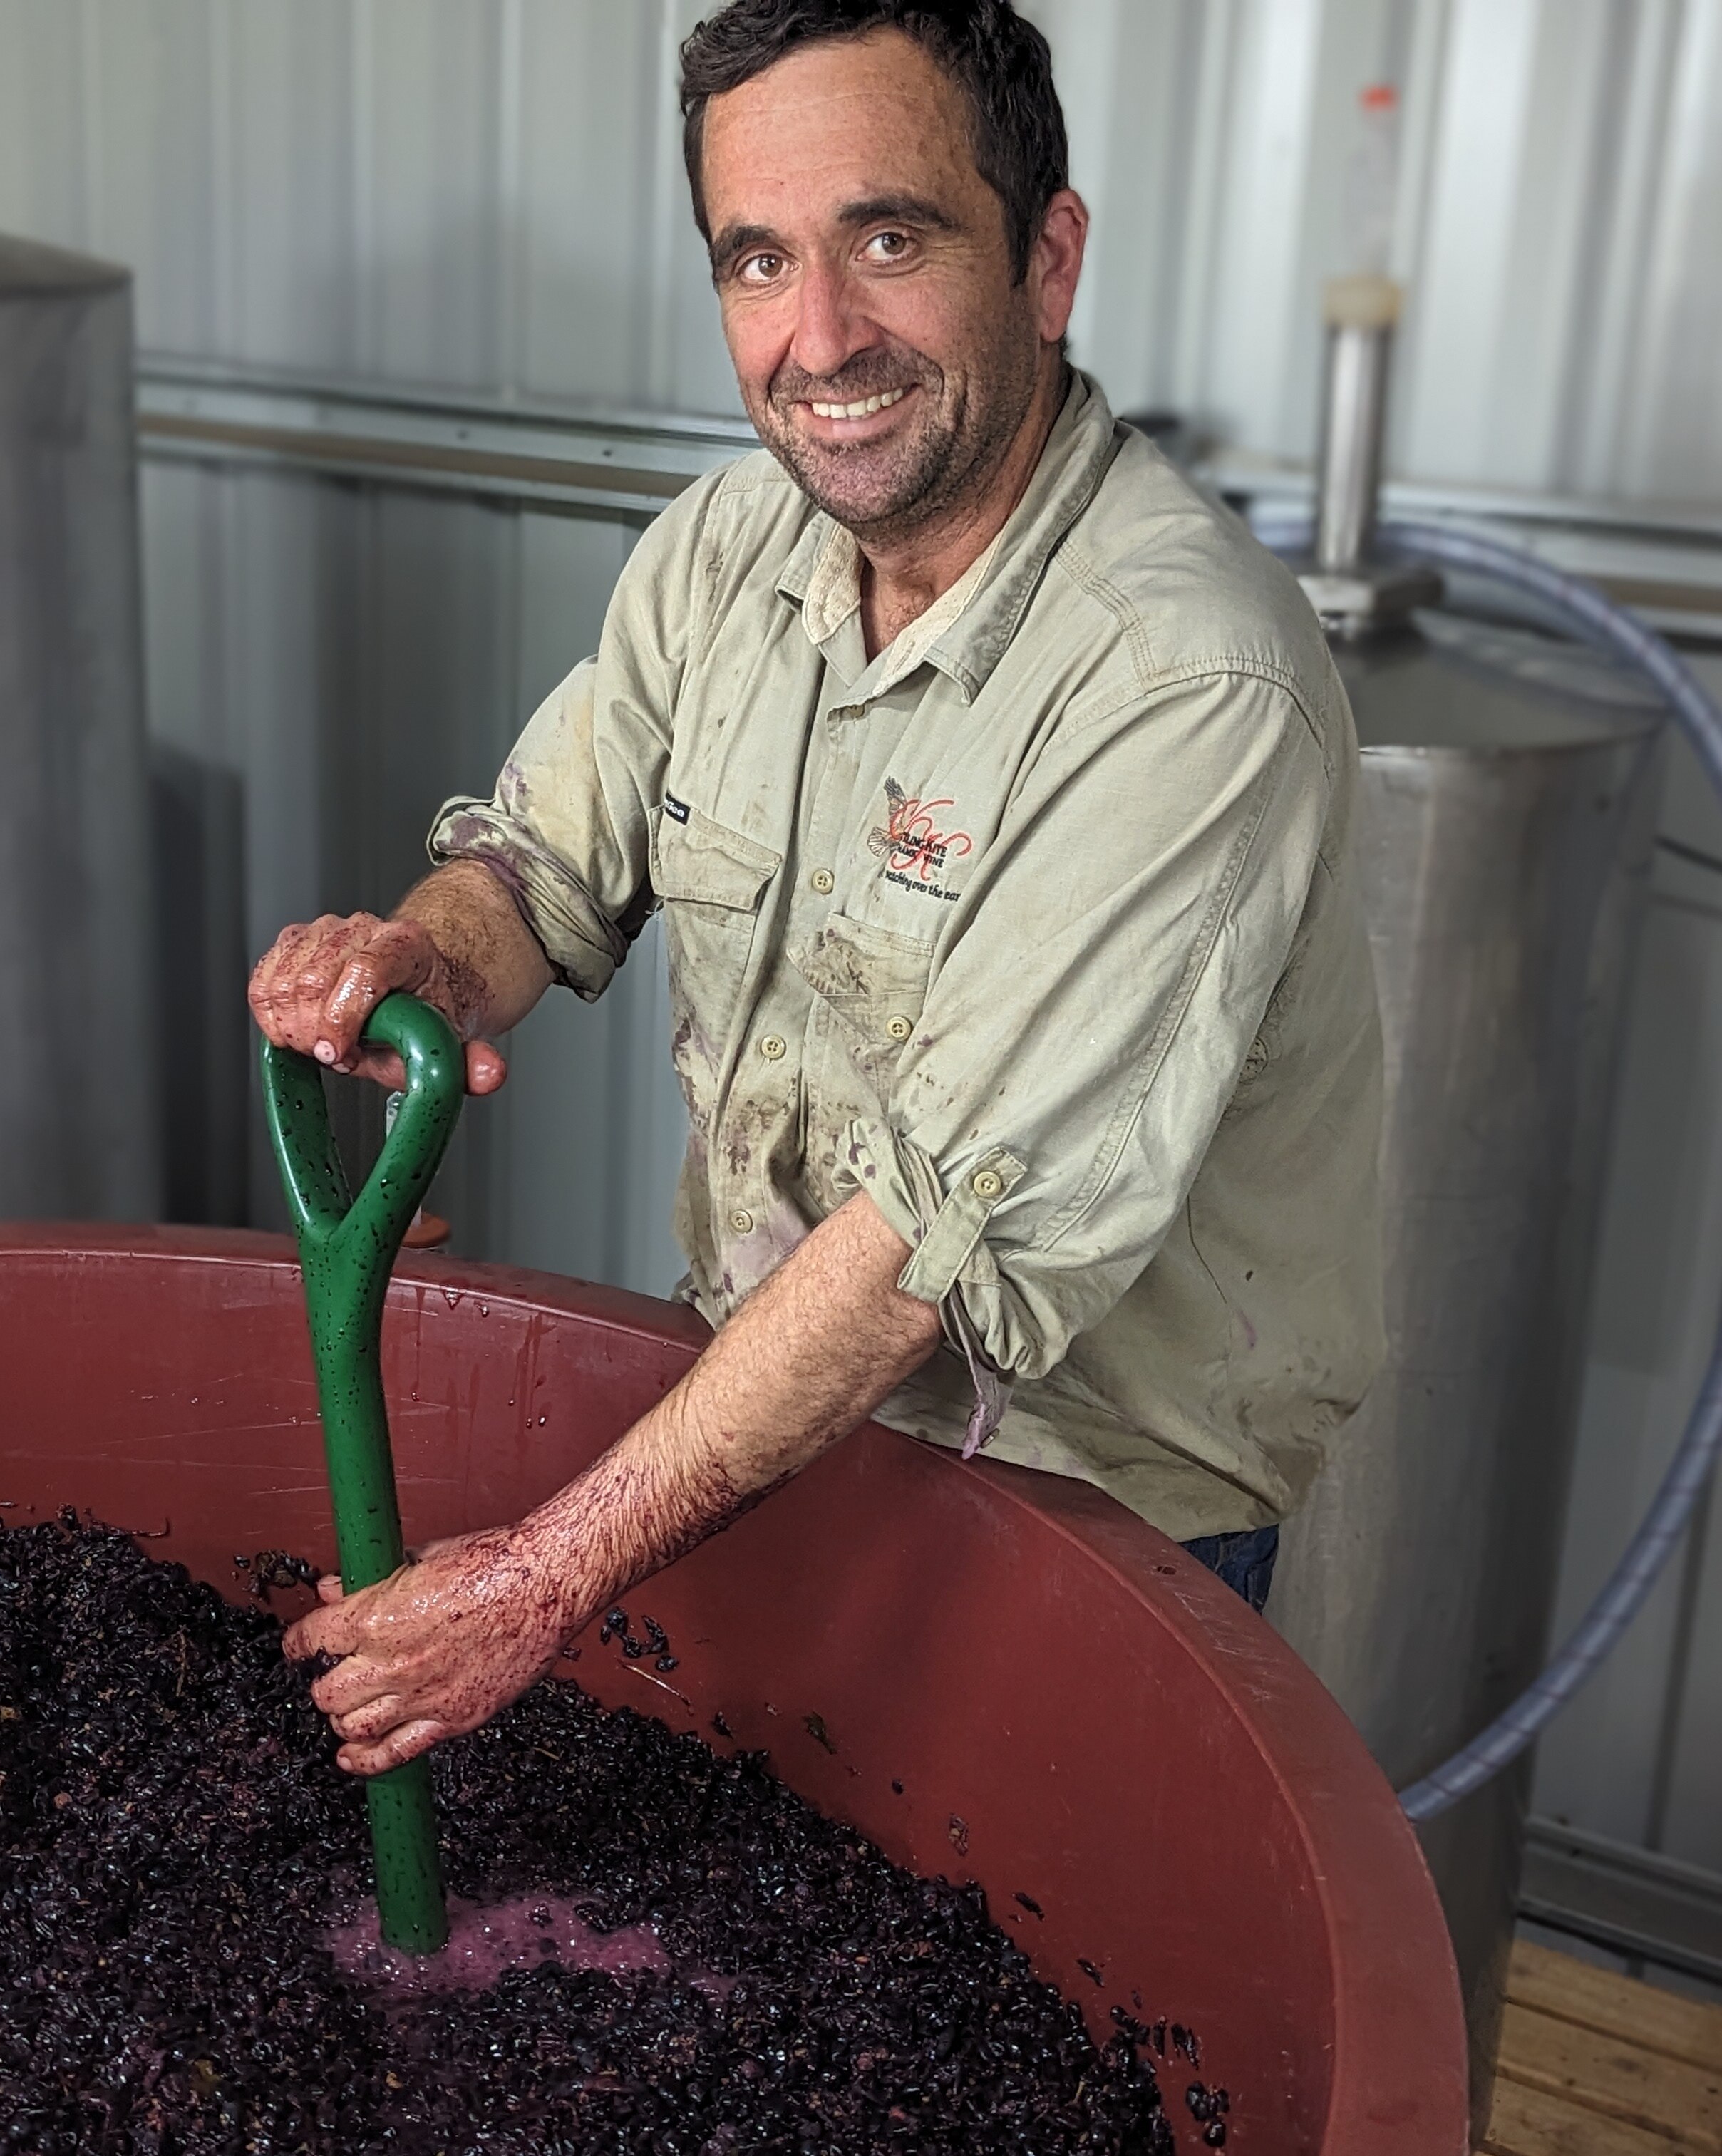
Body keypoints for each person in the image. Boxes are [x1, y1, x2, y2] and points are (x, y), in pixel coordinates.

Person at [250, 0, 1382, 1778]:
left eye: (891, 239)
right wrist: (424, 967)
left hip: (1083, 1517)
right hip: (767, 1429)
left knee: (1014, 1944)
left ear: (1048, 260)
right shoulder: (729, 553)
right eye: (759, 262)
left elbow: (926, 1248)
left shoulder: (1183, 683)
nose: (822, 336)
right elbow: (537, 870)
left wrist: (540, 1578)